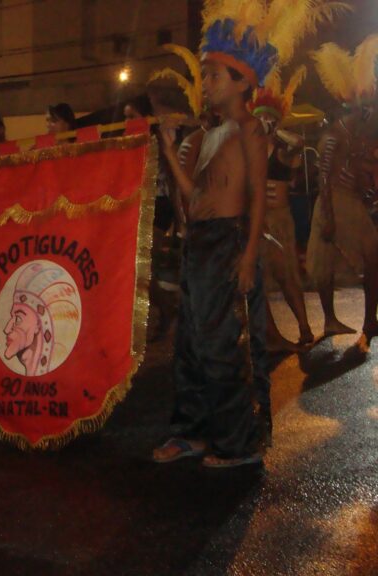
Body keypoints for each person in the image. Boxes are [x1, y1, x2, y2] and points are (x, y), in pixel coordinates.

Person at [151, 0, 342, 467]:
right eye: (207, 75)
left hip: (231, 242)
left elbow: (257, 197)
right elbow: (194, 195)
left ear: (243, 83)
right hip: (201, 243)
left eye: (215, 75)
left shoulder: (251, 130)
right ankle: (192, 432)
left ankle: (241, 444)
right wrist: (170, 150)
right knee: (192, 345)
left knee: (227, 347)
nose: (207, 84)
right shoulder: (209, 135)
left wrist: (248, 254)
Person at [308, 36, 378, 344]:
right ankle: (330, 320)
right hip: (332, 205)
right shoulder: (332, 137)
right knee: (323, 268)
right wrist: (328, 217)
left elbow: (365, 169)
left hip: (352, 205)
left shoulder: (358, 137)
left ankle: (369, 321)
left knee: (374, 259)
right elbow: (323, 180)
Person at [251, 73, 314, 352]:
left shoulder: (282, 150)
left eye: (269, 119)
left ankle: (304, 327)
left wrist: (275, 130)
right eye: (260, 118)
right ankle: (268, 335)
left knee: (288, 277)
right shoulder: (249, 149)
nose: (263, 123)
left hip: (280, 222)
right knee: (258, 281)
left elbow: (299, 144)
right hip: (259, 222)